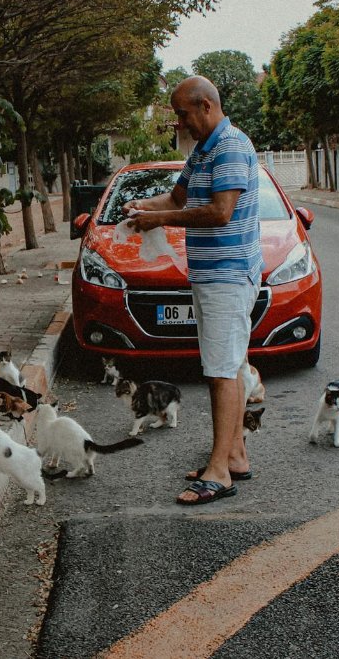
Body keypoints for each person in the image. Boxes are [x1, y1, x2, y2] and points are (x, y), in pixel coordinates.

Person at [125, 75, 262, 505]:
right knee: (232, 365)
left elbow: (221, 212)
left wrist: (161, 222)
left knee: (221, 372)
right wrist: (143, 209)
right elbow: (177, 197)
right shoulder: (203, 150)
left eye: (183, 114)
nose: (180, 124)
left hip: (228, 274)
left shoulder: (231, 146)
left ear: (206, 106)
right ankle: (235, 454)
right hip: (210, 274)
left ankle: (219, 472)